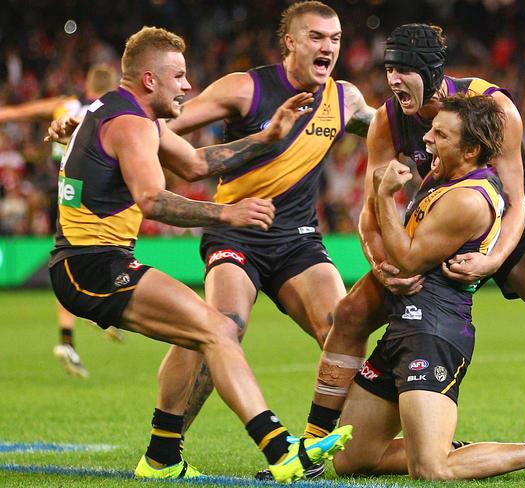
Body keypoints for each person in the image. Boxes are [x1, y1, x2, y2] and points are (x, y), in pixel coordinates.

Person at [306, 23, 525, 478]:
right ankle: (310, 450)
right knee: (350, 314)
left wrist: (491, 259)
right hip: (441, 219)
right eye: (389, 68)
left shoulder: (493, 108)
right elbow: (371, 208)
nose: (392, 79)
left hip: (506, 219)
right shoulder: (389, 121)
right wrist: (380, 264)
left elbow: (515, 201)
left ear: (430, 71)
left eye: (403, 69)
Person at [47, 26, 351, 482]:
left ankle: (162, 457)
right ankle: (280, 446)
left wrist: (268, 139)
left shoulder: (124, 111)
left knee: (198, 331)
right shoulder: (130, 124)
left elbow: (194, 163)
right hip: (90, 264)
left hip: (94, 261)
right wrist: (227, 214)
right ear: (150, 80)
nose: (188, 87)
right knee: (217, 330)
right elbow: (153, 200)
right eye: (180, 76)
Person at [138, 1, 375, 478]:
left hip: (299, 241)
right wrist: (93, 132)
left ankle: (312, 448)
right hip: (236, 232)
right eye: (316, 37)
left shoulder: (344, 98)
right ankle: (164, 449)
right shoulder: (245, 88)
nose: (327, 47)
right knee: (221, 325)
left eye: (334, 38)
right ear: (290, 41)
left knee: (342, 328)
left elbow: (389, 126)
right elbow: (159, 126)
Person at [332, 94, 525, 481]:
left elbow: (407, 259)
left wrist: (383, 195)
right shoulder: (447, 177)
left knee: (431, 469)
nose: (427, 139)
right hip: (404, 327)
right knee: (354, 459)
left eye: (440, 135)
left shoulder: (469, 199)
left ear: (471, 149)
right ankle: (456, 451)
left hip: (433, 334)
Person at [0, 64, 124, 376]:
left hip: (66, 193)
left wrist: (5, 114)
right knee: (108, 249)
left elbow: (27, 111)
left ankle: (70, 336)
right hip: (102, 194)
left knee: (69, 259)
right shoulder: (113, 110)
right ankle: (102, 309)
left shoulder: (68, 105)